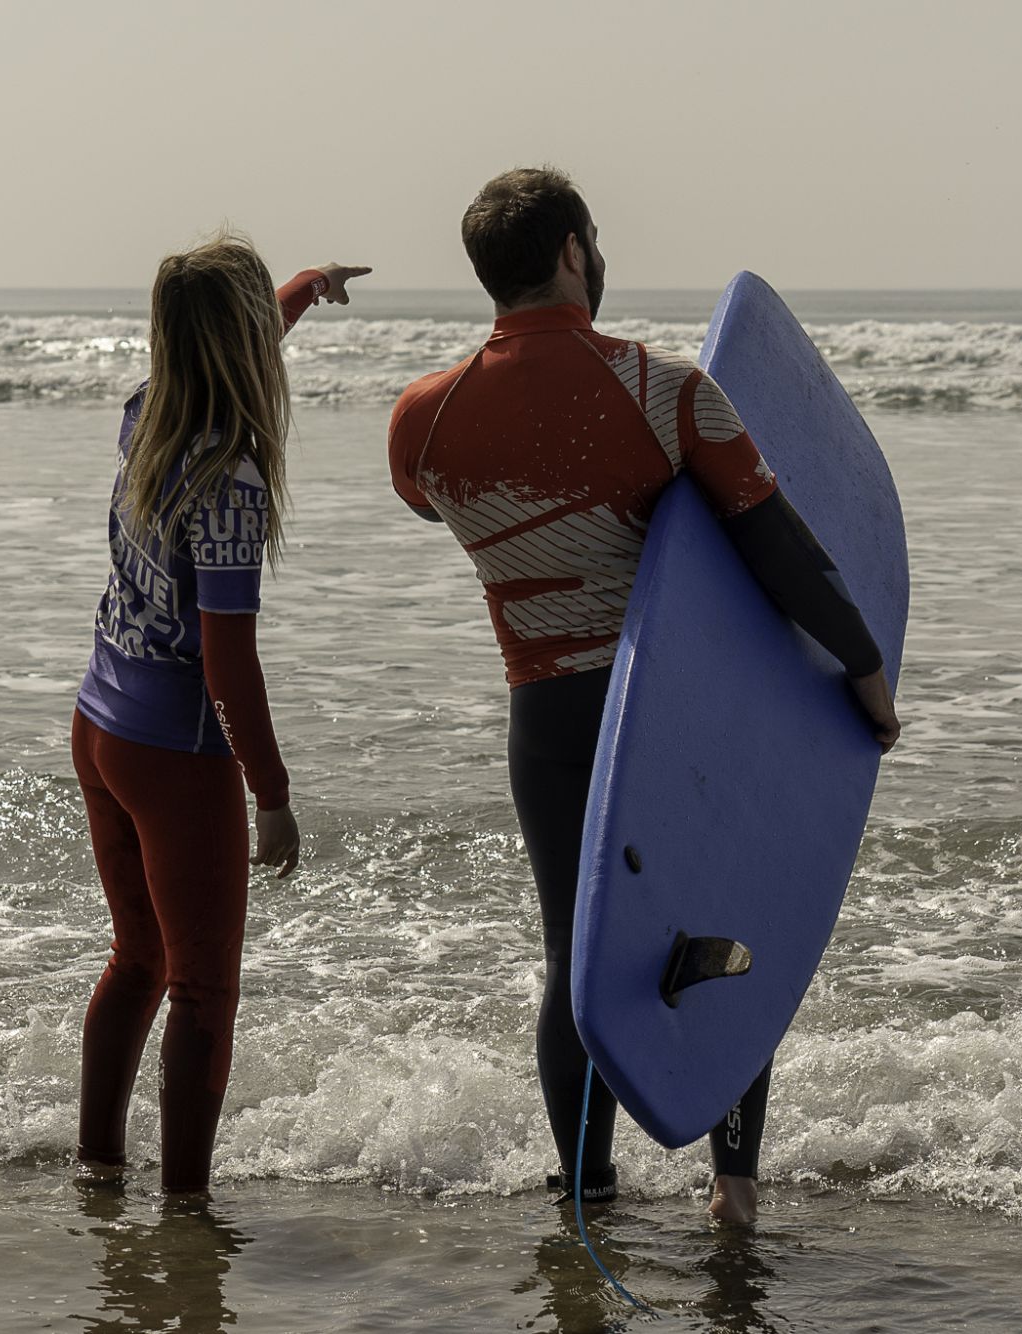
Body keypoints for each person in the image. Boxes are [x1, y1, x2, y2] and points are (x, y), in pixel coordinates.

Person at [387, 168, 899, 1225]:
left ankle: (586, 1191)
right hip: (667, 713)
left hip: (546, 721)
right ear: (572, 252)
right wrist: (862, 667)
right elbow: (782, 554)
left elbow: (436, 509)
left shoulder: (421, 422)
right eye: (596, 239)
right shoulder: (666, 392)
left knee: (573, 958)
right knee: (721, 926)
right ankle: (733, 1186)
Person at [71, 235, 369, 1195]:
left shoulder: (148, 411)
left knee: (137, 958)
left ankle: (98, 1168)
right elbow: (229, 662)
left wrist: (307, 290)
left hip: (100, 722)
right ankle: (186, 1209)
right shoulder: (228, 480)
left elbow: (236, 341)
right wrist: (271, 796)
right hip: (176, 750)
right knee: (202, 989)